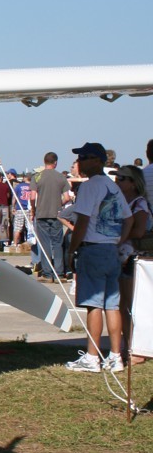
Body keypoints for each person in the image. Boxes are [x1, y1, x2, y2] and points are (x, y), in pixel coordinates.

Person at [64, 142, 133, 374]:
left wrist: (72, 249)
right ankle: (115, 355)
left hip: (93, 248)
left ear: (97, 160)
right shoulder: (112, 186)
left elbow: (82, 220)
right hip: (110, 250)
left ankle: (92, 356)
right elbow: (128, 218)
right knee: (112, 305)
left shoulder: (91, 186)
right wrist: (119, 242)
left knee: (93, 304)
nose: (80, 162)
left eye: (84, 157)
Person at [114, 166, 149, 366]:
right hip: (121, 257)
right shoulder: (122, 202)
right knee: (122, 304)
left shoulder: (139, 203)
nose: (118, 181)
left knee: (128, 305)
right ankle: (129, 346)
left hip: (132, 258)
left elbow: (139, 231)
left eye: (122, 178)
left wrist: (119, 236)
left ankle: (136, 348)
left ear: (133, 183)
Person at [31, 152, 71, 280]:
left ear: (44, 162)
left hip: (41, 213)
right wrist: (58, 204)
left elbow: (32, 196)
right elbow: (67, 197)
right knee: (57, 244)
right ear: (55, 163)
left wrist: (33, 208)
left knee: (45, 244)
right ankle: (59, 273)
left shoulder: (37, 177)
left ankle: (47, 273)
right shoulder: (61, 177)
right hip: (57, 214)